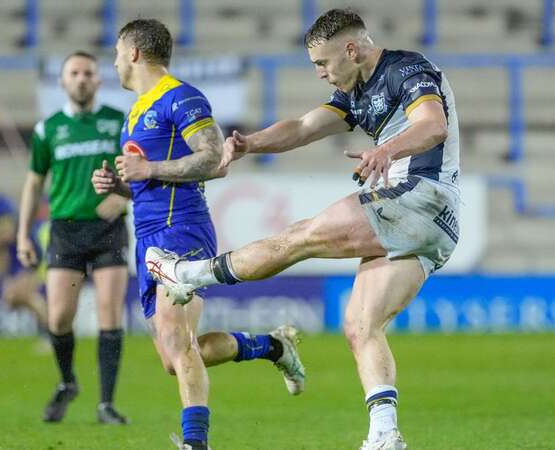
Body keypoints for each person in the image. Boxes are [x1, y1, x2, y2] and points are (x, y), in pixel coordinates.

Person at [146, 8, 461, 450]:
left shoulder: (406, 69)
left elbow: (433, 125)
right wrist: (249, 144)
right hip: (435, 228)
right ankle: (385, 435)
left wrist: (386, 149)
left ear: (351, 50)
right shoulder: (355, 91)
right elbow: (303, 128)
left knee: (301, 237)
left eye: (322, 63)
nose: (320, 74)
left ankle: (190, 276)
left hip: (419, 197)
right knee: (360, 325)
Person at [90, 19, 306, 450]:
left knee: (177, 340)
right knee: (175, 359)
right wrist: (121, 186)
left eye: (116, 52)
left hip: (182, 228)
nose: (113, 61)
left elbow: (212, 159)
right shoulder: (135, 112)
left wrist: (147, 169)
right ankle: (272, 346)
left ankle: (196, 443)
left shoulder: (181, 96)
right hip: (148, 236)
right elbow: (148, 185)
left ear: (134, 52)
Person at [16, 50, 131, 425]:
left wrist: (120, 195)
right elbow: (34, 183)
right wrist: (23, 235)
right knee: (59, 317)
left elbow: (135, 169)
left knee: (108, 313)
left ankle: (106, 404)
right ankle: (68, 383)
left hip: (108, 230)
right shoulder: (47, 130)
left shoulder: (118, 122)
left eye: (88, 73)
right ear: (64, 82)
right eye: (74, 73)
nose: (81, 78)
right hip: (65, 230)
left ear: (98, 80)